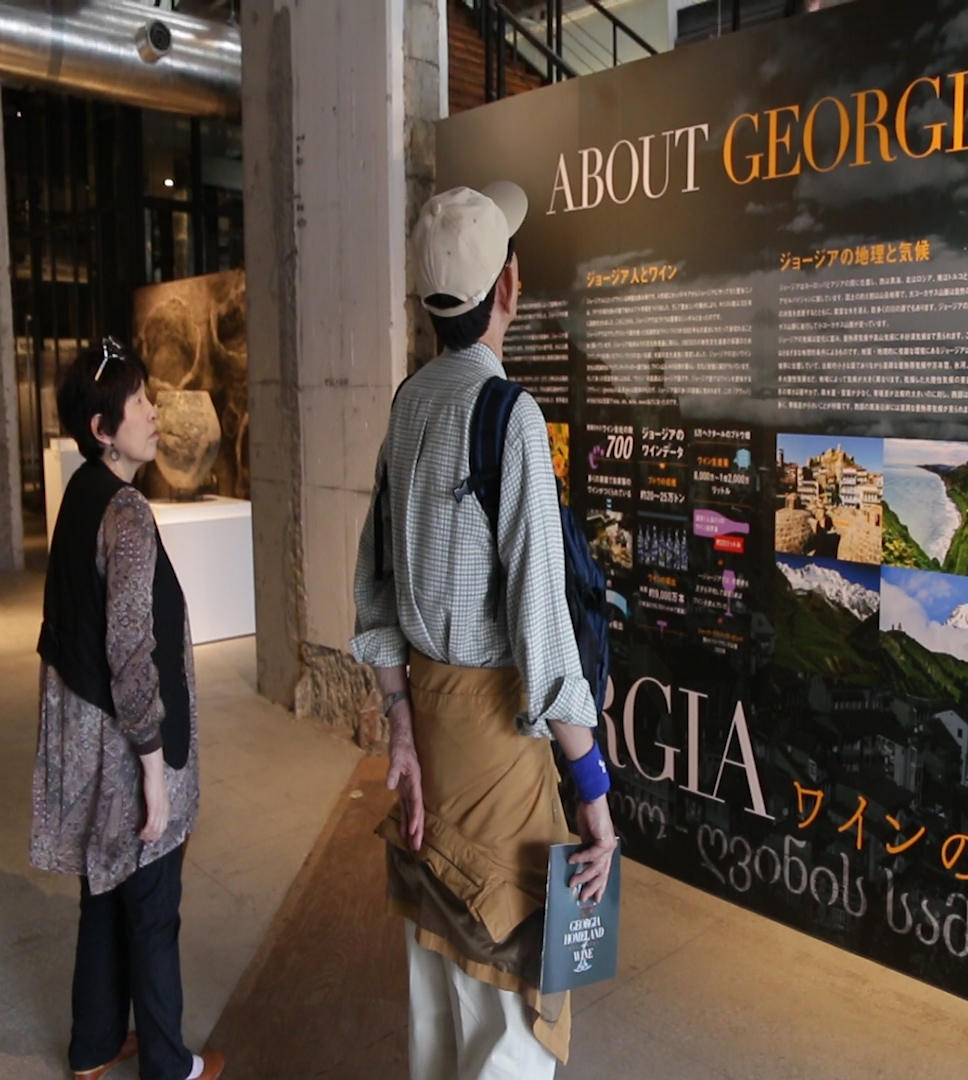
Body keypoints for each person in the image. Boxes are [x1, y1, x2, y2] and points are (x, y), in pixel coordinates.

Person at [352, 182, 617, 1080]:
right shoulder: (510, 416)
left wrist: (399, 726)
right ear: (509, 286)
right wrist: (593, 797)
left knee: (437, 994)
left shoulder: (408, 405)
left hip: (428, 742)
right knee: (510, 1018)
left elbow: (374, 588)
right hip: (499, 758)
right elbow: (543, 636)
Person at [30, 338, 225, 1080]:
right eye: (138, 403)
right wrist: (153, 768)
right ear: (102, 430)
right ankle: (170, 1065)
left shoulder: (82, 492)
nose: (153, 412)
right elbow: (131, 652)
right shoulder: (128, 513)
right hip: (121, 744)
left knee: (103, 887)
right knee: (151, 900)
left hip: (82, 735)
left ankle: (94, 1045)